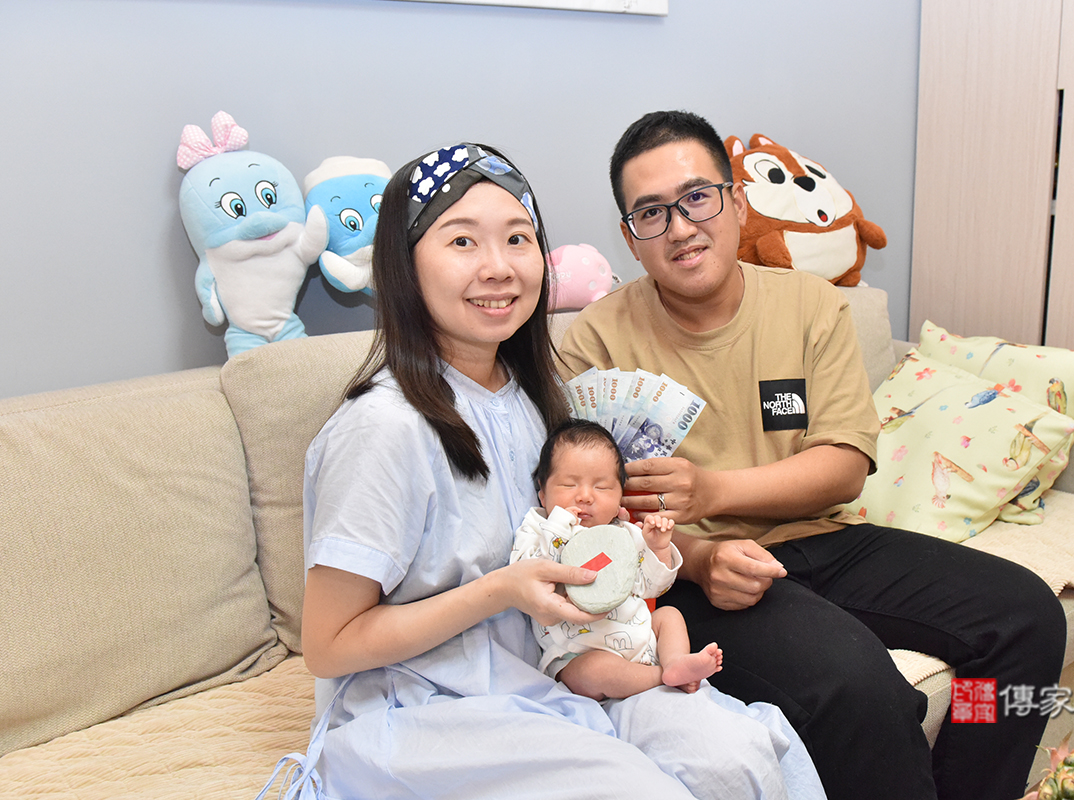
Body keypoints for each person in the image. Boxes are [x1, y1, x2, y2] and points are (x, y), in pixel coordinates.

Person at [264, 142, 825, 800]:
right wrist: (501, 590)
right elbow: (328, 645)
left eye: (517, 238)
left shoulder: (538, 402)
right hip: (424, 707)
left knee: (738, 757)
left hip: (558, 674)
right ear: (403, 265)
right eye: (462, 241)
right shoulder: (383, 428)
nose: (498, 267)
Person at [556, 111, 1068, 800]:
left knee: (1024, 618)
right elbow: (588, 511)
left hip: (825, 540)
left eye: (697, 198)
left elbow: (843, 465)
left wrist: (714, 490)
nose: (679, 227)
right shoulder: (595, 342)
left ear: (738, 203)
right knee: (860, 688)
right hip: (694, 578)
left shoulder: (808, 304)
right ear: (631, 237)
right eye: (651, 213)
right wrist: (701, 558)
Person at [511, 418, 723, 698]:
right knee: (594, 671)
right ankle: (661, 678)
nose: (585, 496)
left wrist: (657, 548)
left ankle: (675, 663)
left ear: (620, 497)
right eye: (569, 484)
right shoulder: (537, 528)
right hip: (577, 654)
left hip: (638, 637)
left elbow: (652, 587)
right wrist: (559, 526)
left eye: (601, 487)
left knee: (669, 615)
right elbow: (527, 576)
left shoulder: (623, 534)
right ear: (542, 492)